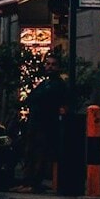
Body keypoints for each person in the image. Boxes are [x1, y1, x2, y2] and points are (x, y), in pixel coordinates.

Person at [18, 54, 67, 191]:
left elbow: (60, 104)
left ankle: (34, 183)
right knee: (30, 152)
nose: (50, 67)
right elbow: (31, 98)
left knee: (40, 154)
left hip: (46, 124)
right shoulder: (44, 83)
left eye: (53, 65)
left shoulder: (58, 85)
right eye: (48, 64)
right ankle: (26, 182)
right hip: (34, 122)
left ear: (58, 67)